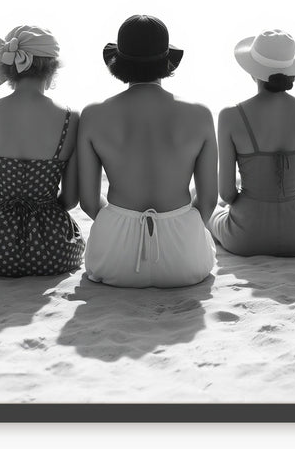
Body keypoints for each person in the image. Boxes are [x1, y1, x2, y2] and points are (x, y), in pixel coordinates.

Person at [78, 15, 217, 288]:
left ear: (118, 61)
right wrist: (176, 226)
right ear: (166, 61)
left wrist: (123, 223)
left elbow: (89, 202)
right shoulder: (199, 115)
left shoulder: (94, 115)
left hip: (114, 254)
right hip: (184, 256)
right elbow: (209, 201)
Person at [0, 25, 85, 277]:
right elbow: (70, 200)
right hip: (54, 251)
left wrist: (5, 210)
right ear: (52, 67)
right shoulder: (70, 118)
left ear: (7, 66)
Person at [210, 29, 295, 257]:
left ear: (253, 71)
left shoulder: (231, 115)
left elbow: (227, 194)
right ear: (291, 71)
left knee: (208, 206)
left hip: (246, 237)